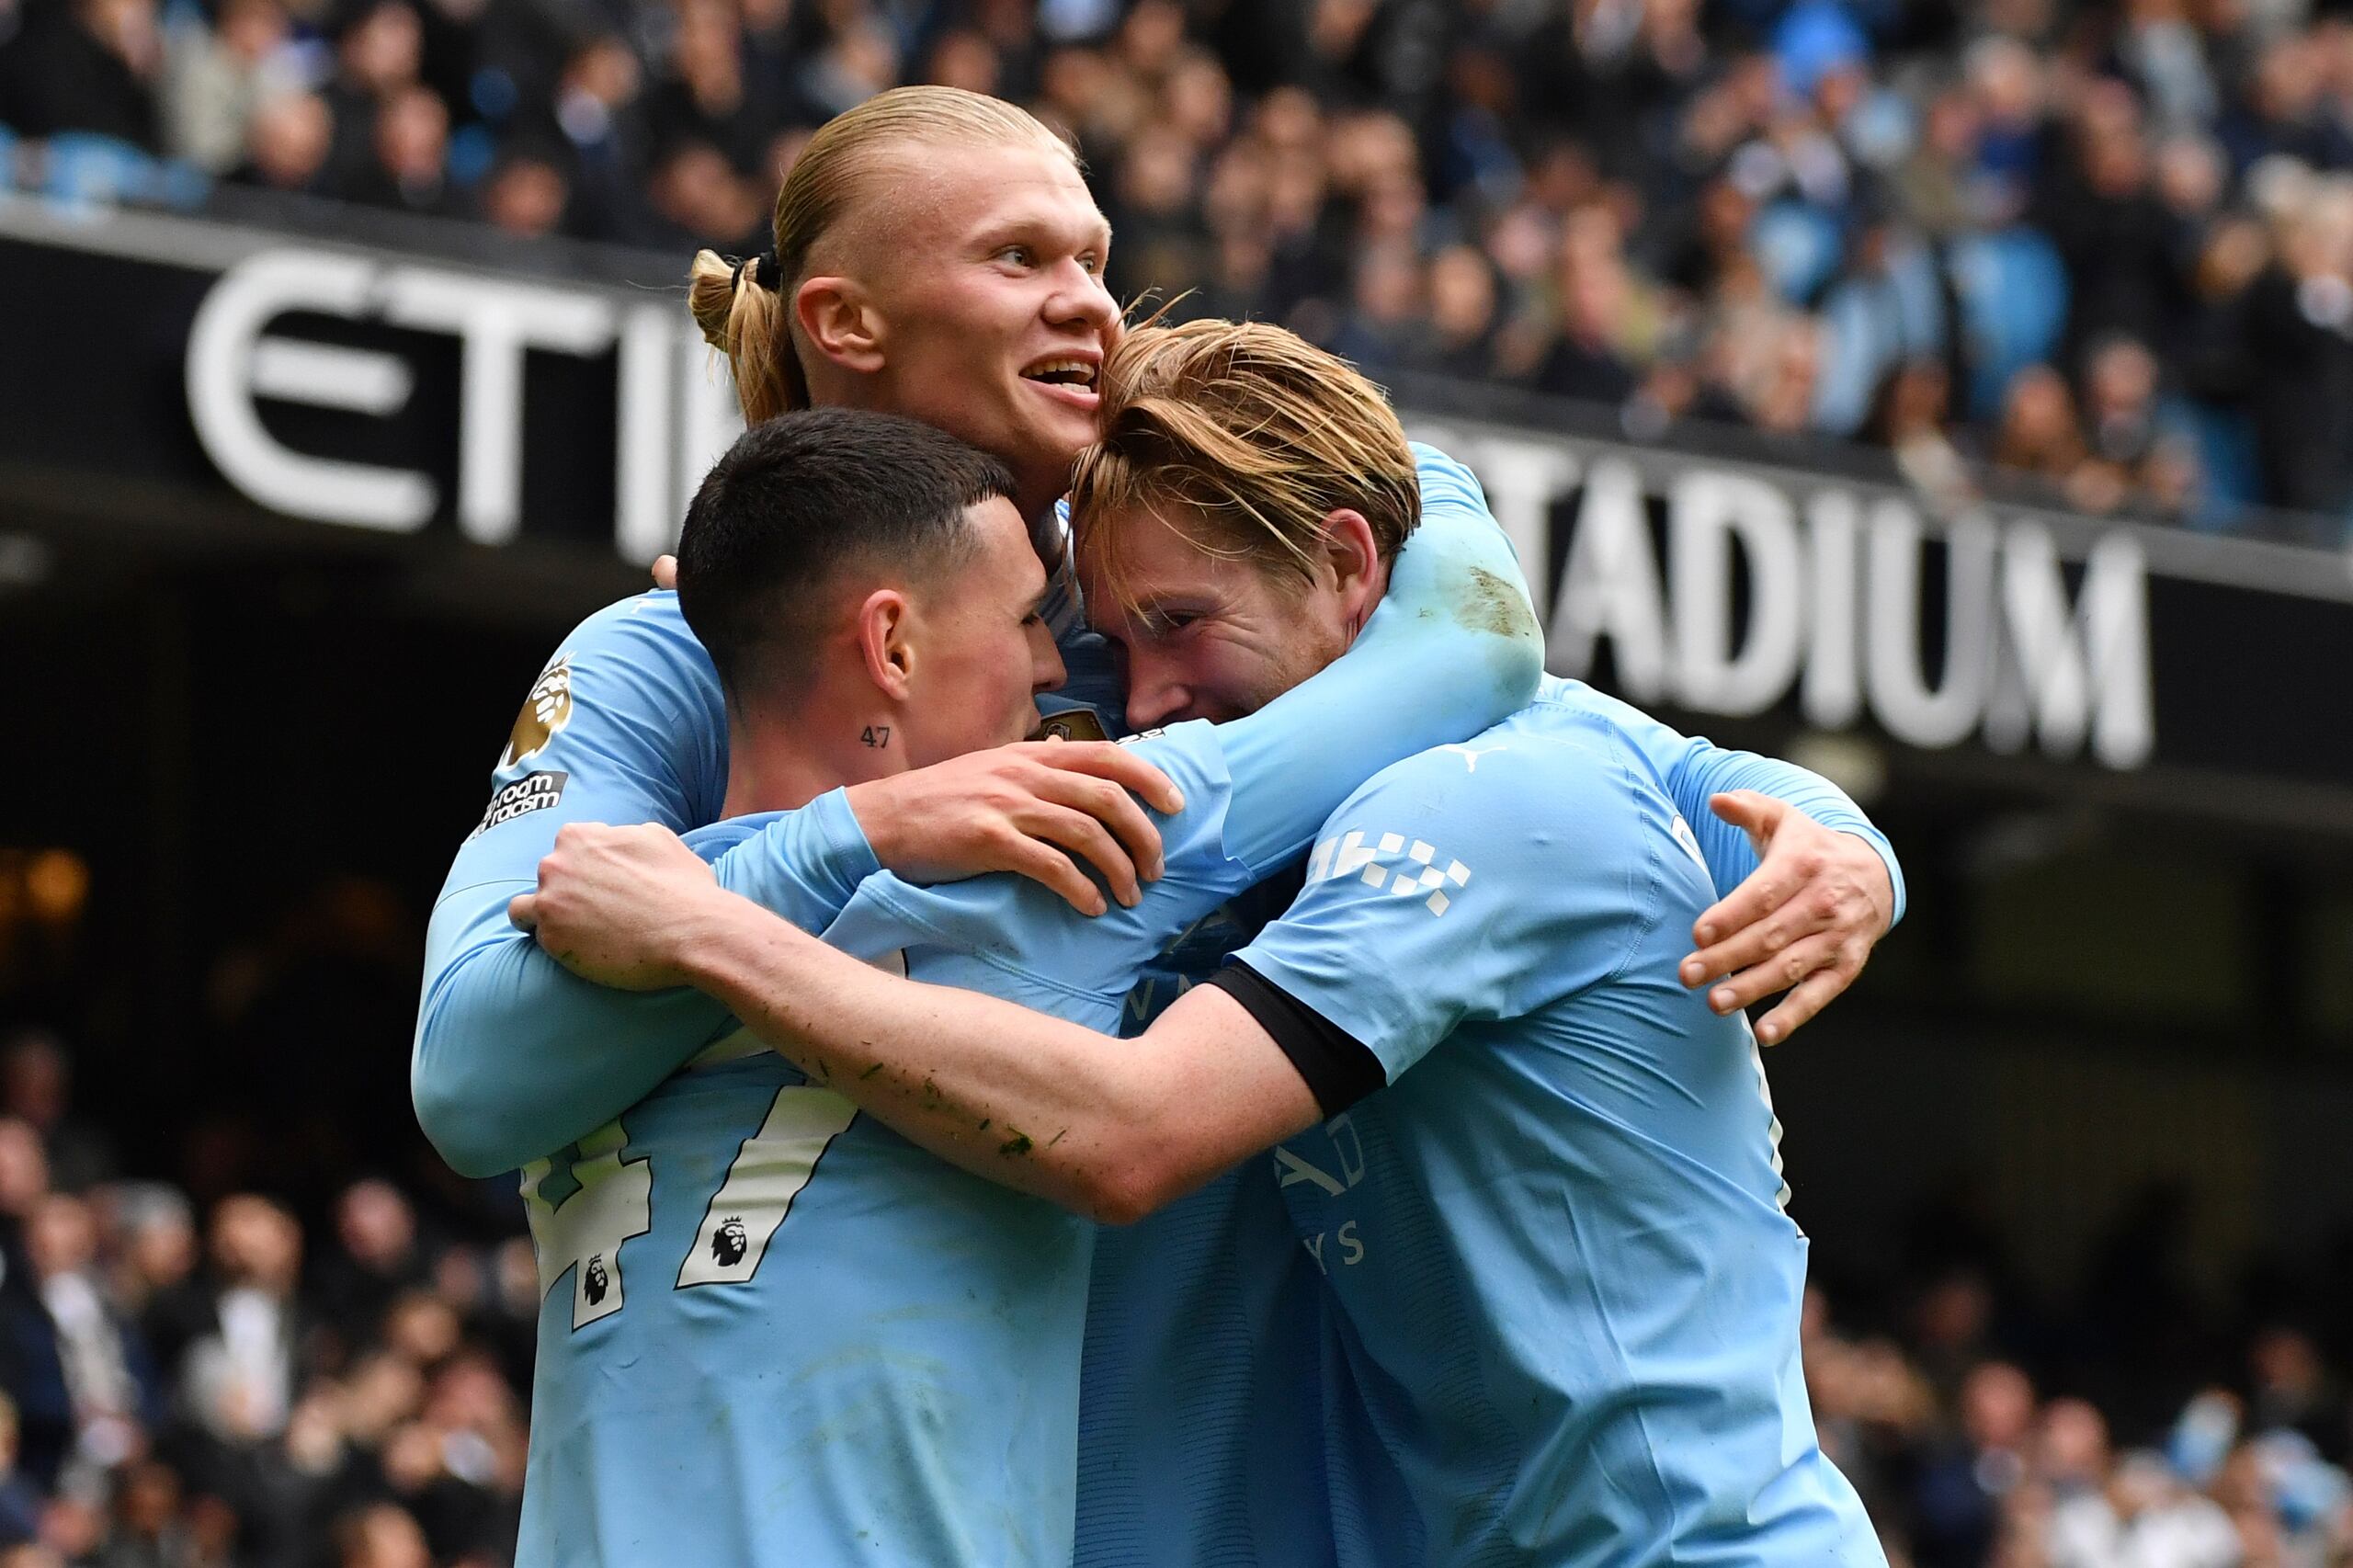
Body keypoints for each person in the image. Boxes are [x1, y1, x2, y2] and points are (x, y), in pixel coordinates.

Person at [410, 84, 1902, 1567]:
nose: (1090, 309)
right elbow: (477, 1070)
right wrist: (864, 826)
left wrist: (1836, 833)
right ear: (845, 323)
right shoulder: (683, 649)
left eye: (1094, 260)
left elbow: (1499, 671)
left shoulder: (1211, 589)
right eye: (1020, 261)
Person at [503, 403, 1542, 1564]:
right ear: (892, 646)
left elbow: (464, 1085)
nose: (1065, 668)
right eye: (1027, 619)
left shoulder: (590, 919)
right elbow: (1472, 646)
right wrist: (1420, 463)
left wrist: (777, 875)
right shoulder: (1067, 844)